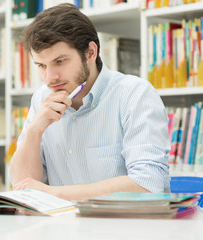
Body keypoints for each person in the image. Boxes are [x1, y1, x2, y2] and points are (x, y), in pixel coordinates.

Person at [9, 3, 170, 201]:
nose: (50, 77)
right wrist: (35, 131)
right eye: (41, 65)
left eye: (60, 61)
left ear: (90, 53)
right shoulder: (42, 99)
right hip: (62, 229)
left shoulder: (135, 95)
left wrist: (55, 194)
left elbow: (148, 185)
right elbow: (22, 184)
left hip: (126, 229)